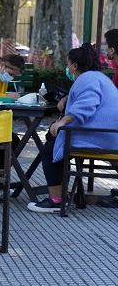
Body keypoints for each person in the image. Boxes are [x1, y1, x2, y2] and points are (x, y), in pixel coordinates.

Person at [27, 44, 118, 213]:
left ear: (75, 65)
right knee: (53, 140)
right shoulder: (97, 77)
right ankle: (62, 193)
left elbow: (87, 104)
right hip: (109, 134)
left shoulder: (87, 79)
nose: (67, 68)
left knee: (48, 151)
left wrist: (63, 121)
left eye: (68, 64)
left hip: (98, 136)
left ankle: (57, 200)